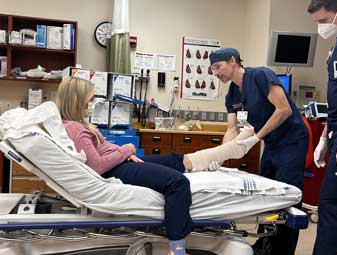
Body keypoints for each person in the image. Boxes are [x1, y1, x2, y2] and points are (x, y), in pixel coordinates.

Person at [56, 76, 254, 255]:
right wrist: (126, 151)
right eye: (90, 100)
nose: (93, 103)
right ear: (77, 100)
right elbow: (98, 166)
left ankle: (224, 154)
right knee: (178, 183)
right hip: (115, 168)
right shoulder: (76, 129)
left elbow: (102, 153)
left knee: (177, 160)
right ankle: (177, 248)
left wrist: (123, 154)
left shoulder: (77, 124)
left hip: (119, 161)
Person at [209, 48, 309, 255]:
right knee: (266, 196)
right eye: (212, 70)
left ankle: (283, 250)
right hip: (272, 143)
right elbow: (232, 129)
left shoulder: (261, 75)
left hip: (291, 141)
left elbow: (284, 109)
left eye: (217, 67)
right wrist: (218, 157)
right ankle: (265, 245)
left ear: (233, 61)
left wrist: (256, 137)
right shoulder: (232, 95)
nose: (215, 73)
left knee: (287, 197)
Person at [308, 1, 337, 254]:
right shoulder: (336, 48)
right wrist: (323, 137)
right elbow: (335, 97)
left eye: (323, 21)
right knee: (331, 205)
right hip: (335, 134)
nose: (321, 27)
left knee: (331, 206)